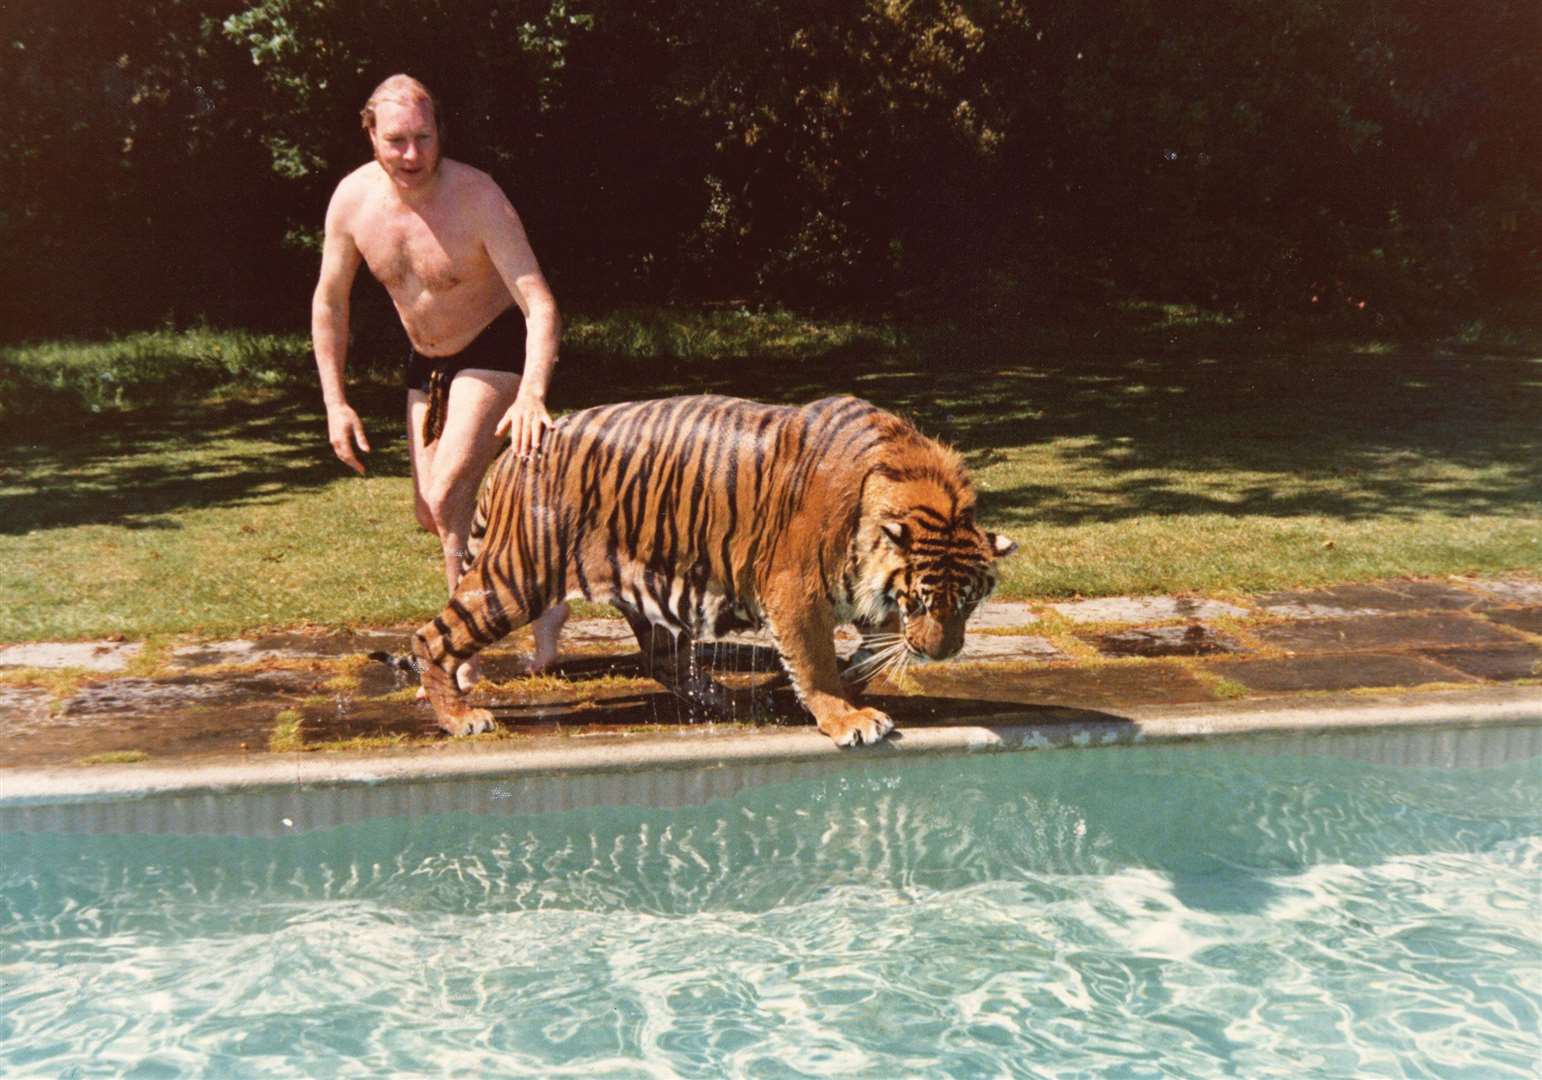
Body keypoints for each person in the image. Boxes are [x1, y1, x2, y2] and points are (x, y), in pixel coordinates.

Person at [312, 74, 568, 685]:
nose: (411, 155)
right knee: (434, 513)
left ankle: (460, 645)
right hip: (425, 362)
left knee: (449, 492)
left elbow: (540, 306)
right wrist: (335, 402)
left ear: (440, 134)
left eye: (424, 138)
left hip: (494, 346)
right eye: (396, 140)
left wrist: (532, 392)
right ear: (370, 133)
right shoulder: (353, 202)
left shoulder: (479, 198)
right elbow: (330, 305)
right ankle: (547, 596)